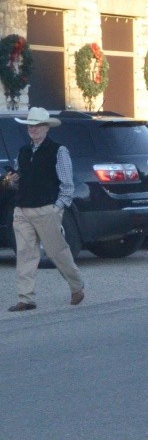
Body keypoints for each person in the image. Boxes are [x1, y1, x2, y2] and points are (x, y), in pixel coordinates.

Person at [7, 107, 85, 312]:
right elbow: (19, 180)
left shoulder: (59, 151)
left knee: (57, 252)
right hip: (22, 209)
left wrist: (57, 208)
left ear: (47, 128)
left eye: (38, 125)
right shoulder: (23, 152)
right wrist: (12, 181)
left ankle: (76, 286)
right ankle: (26, 298)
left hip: (46, 209)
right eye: (30, 125)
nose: (33, 129)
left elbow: (67, 185)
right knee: (25, 254)